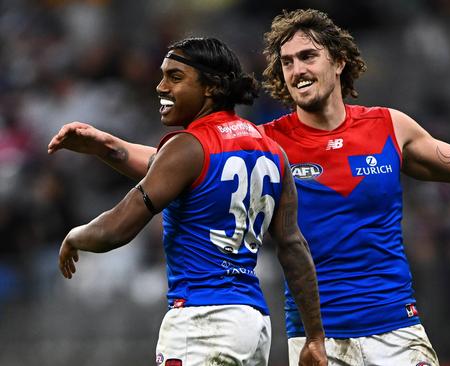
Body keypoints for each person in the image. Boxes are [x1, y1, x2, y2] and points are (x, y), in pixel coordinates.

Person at [48, 9, 450, 366]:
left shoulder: (388, 126)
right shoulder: (267, 137)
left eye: (308, 56)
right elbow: (179, 169)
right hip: (315, 339)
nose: (297, 69)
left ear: (338, 62)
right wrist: (105, 146)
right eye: (286, 62)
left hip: (396, 328)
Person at [52, 37, 327, 366]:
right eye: (163, 75)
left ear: (210, 87)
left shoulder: (188, 146)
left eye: (175, 77)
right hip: (251, 322)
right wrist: (315, 337)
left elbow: (118, 227)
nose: (161, 86)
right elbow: (295, 248)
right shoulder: (272, 151)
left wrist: (75, 236)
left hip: (201, 323)